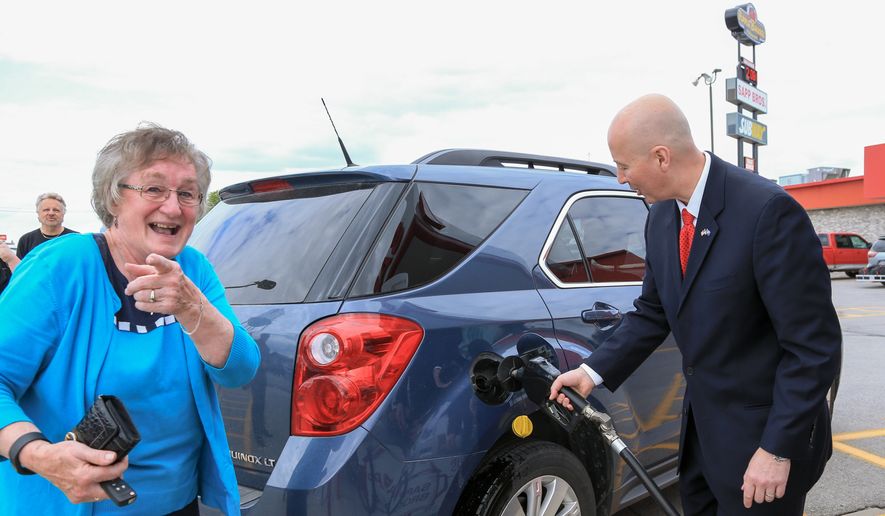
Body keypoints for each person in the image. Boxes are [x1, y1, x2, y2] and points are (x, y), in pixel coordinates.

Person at [549, 94, 841, 515]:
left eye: (625, 165)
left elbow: (813, 349)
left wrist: (777, 450)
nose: (620, 177)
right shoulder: (662, 217)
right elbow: (654, 312)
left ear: (661, 157)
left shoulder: (767, 212)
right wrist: (592, 372)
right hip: (702, 443)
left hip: (763, 448)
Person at [0, 123, 261, 515]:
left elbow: (240, 369)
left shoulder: (195, 269)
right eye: (153, 189)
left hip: (178, 502)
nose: (173, 207)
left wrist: (193, 308)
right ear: (114, 198)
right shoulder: (62, 267)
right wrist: (35, 453)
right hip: (68, 503)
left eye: (188, 193)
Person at [1, 192, 78, 273]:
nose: (51, 213)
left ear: (63, 214)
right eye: (46, 210)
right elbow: (20, 273)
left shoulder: (76, 239)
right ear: (38, 213)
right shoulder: (26, 240)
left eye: (56, 210)